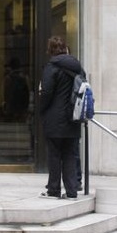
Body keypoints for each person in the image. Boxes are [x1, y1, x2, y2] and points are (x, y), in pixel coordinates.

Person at [38, 36, 83, 199]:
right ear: (65, 48)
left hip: (55, 118)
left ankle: (53, 189)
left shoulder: (51, 67)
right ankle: (71, 191)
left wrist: (41, 110)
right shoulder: (77, 67)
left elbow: (46, 93)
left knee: (54, 154)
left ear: (50, 50)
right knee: (70, 154)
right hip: (73, 117)